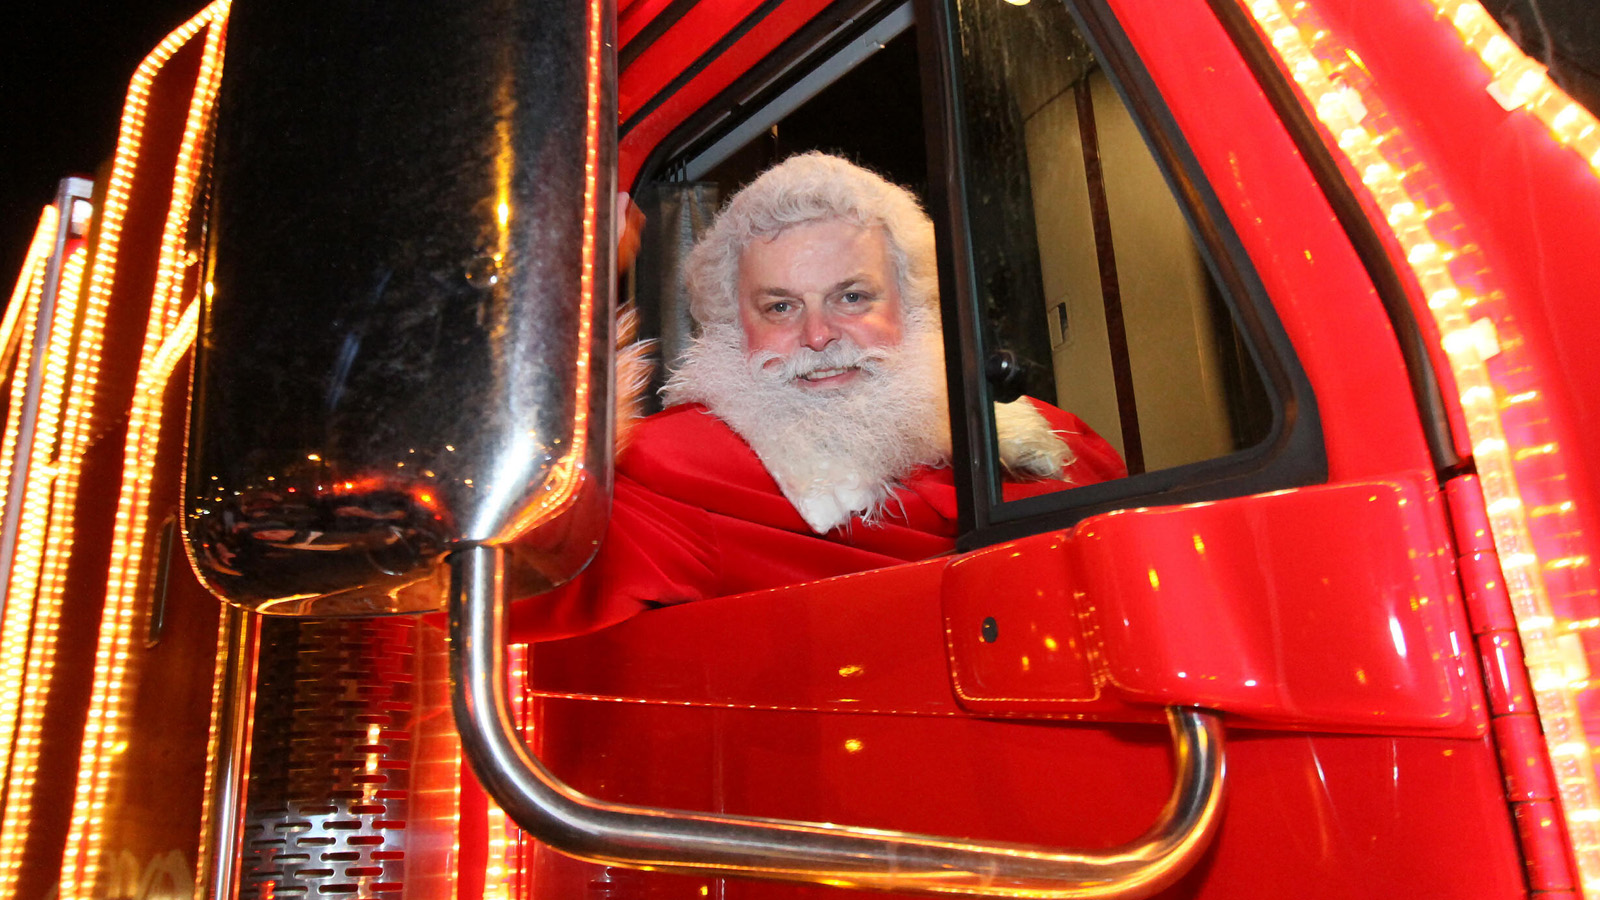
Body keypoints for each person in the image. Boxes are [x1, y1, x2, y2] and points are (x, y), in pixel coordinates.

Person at [509, 153, 1123, 641]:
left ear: (912, 305)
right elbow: (511, 575)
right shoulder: (675, 470)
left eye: (852, 297)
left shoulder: (1045, 432)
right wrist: (559, 299)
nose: (819, 335)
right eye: (780, 307)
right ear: (733, 327)